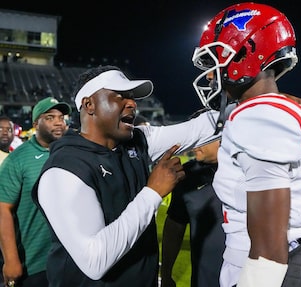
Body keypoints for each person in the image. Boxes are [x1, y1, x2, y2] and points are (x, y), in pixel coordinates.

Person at [31, 65, 222, 287]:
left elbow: (203, 129)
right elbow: (95, 261)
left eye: (131, 97)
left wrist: (234, 84)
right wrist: (152, 193)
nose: (131, 103)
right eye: (120, 97)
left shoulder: (137, 142)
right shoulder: (63, 170)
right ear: (88, 105)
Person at [191, 3, 301, 287]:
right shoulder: (269, 110)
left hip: (262, 272)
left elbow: (269, 252)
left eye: (214, 62)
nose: (210, 75)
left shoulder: (259, 117)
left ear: (245, 53)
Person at [0, 97, 72, 287]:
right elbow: (2, 210)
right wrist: (11, 260)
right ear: (35, 124)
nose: (58, 122)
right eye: (49, 117)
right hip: (35, 263)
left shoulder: (72, 153)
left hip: (72, 259)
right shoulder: (17, 159)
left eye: (61, 117)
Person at [161, 109, 225, 287]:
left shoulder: (250, 171)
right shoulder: (188, 175)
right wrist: (166, 273)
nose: (194, 143)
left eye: (201, 136)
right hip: (204, 281)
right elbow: (175, 226)